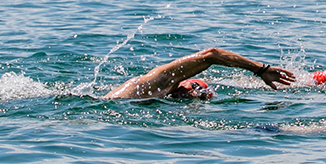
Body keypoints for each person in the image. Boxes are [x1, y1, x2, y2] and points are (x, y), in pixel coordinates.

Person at [105, 47, 295, 100]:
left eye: (200, 96)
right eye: (195, 86)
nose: (194, 93)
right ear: (183, 80)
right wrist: (260, 69)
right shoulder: (159, 81)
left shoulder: (162, 98)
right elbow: (211, 55)